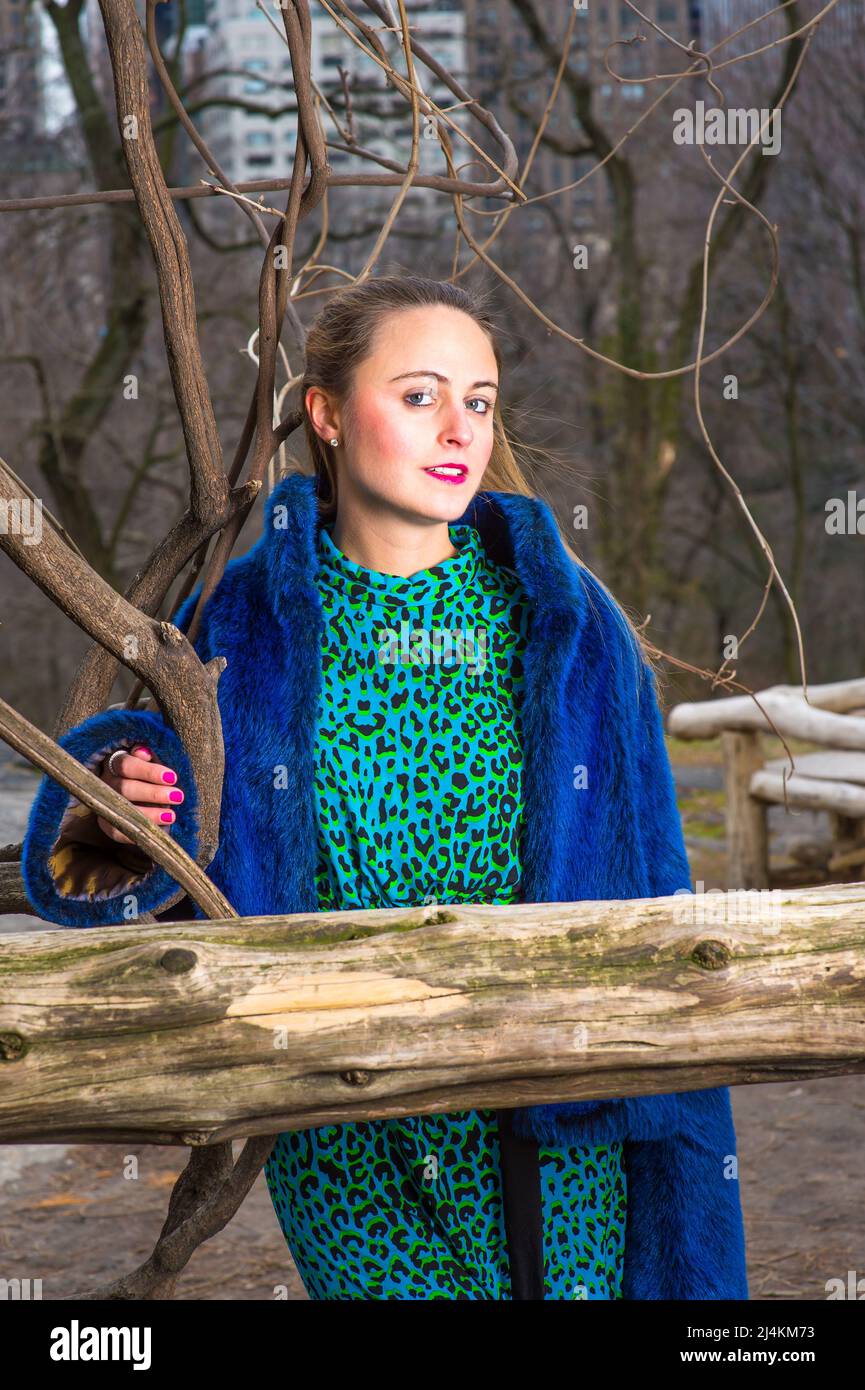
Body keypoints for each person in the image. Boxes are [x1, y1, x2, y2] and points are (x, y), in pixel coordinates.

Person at [21, 274, 748, 1300]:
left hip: (552, 1113)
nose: (461, 427)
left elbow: (656, 889)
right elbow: (176, 851)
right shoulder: (240, 628)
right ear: (324, 414)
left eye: (480, 400)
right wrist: (114, 813)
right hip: (343, 1126)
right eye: (419, 395)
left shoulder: (569, 625)